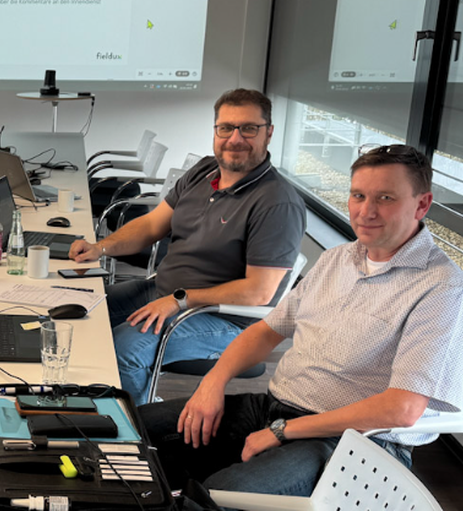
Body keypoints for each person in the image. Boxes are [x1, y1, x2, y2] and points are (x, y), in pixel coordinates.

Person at [140, 145, 463, 497]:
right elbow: (265, 331)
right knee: (133, 428)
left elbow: (402, 409)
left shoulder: (442, 289)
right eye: (358, 196)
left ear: (422, 205)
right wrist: (212, 383)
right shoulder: (337, 259)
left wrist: (283, 431)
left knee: (222, 494)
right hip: (274, 410)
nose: (366, 211)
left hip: (353, 441)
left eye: (385, 198)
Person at [68, 89, 306, 400]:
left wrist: (179, 300)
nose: (235, 139)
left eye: (248, 128)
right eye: (226, 128)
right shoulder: (203, 171)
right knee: (79, 310)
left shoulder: (277, 202)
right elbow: (152, 225)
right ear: (215, 130)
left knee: (125, 349)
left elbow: (258, 292)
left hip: (223, 318)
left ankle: (135, 423)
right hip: (165, 293)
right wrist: (101, 247)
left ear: (269, 133)